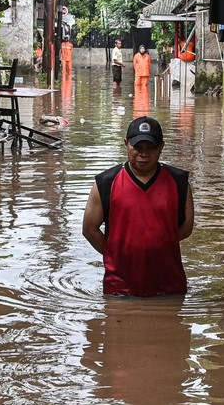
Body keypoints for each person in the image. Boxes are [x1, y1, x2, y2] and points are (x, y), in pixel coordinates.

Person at [82, 116, 194, 297]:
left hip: (169, 287)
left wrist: (158, 245)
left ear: (161, 147)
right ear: (126, 144)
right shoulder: (106, 182)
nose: (143, 154)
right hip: (120, 288)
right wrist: (116, 255)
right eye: (137, 147)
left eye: (151, 148)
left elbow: (186, 227)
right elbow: (89, 229)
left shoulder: (178, 182)